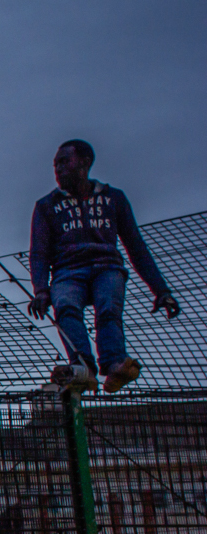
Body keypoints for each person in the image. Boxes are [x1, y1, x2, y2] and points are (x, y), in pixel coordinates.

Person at [27, 139, 181, 392]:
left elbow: (136, 247)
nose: (59, 169)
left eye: (66, 162)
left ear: (85, 163)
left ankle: (114, 364)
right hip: (67, 271)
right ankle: (83, 367)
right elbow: (39, 253)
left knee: (109, 309)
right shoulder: (46, 206)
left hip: (107, 267)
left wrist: (161, 290)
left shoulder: (113, 198)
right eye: (56, 164)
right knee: (65, 306)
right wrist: (41, 290)